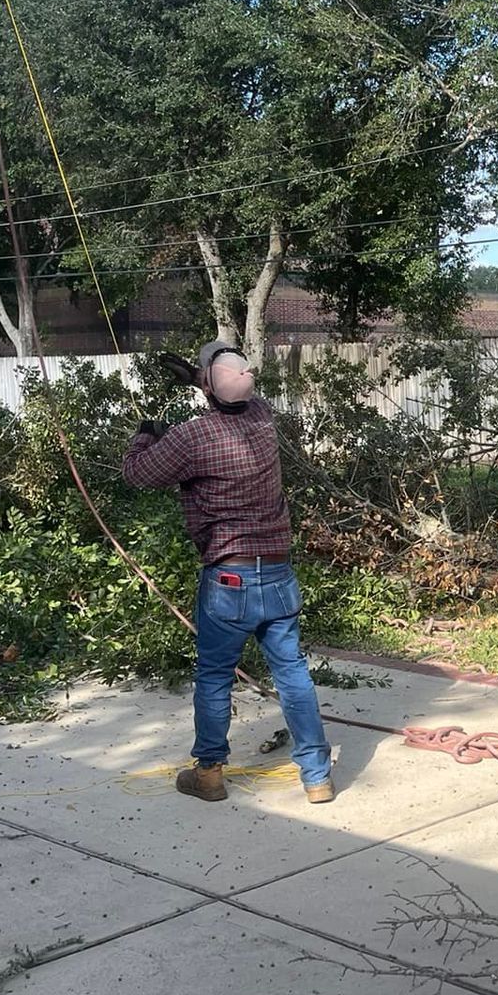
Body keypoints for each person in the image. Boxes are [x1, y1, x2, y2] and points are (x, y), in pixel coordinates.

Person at [121, 340, 335, 804]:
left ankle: (210, 775)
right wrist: (202, 377)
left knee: (216, 675)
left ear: (208, 388)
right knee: (292, 673)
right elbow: (237, 392)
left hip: (228, 579)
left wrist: (144, 434)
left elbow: (137, 474)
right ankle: (317, 777)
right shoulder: (262, 420)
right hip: (277, 574)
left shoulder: (190, 437)